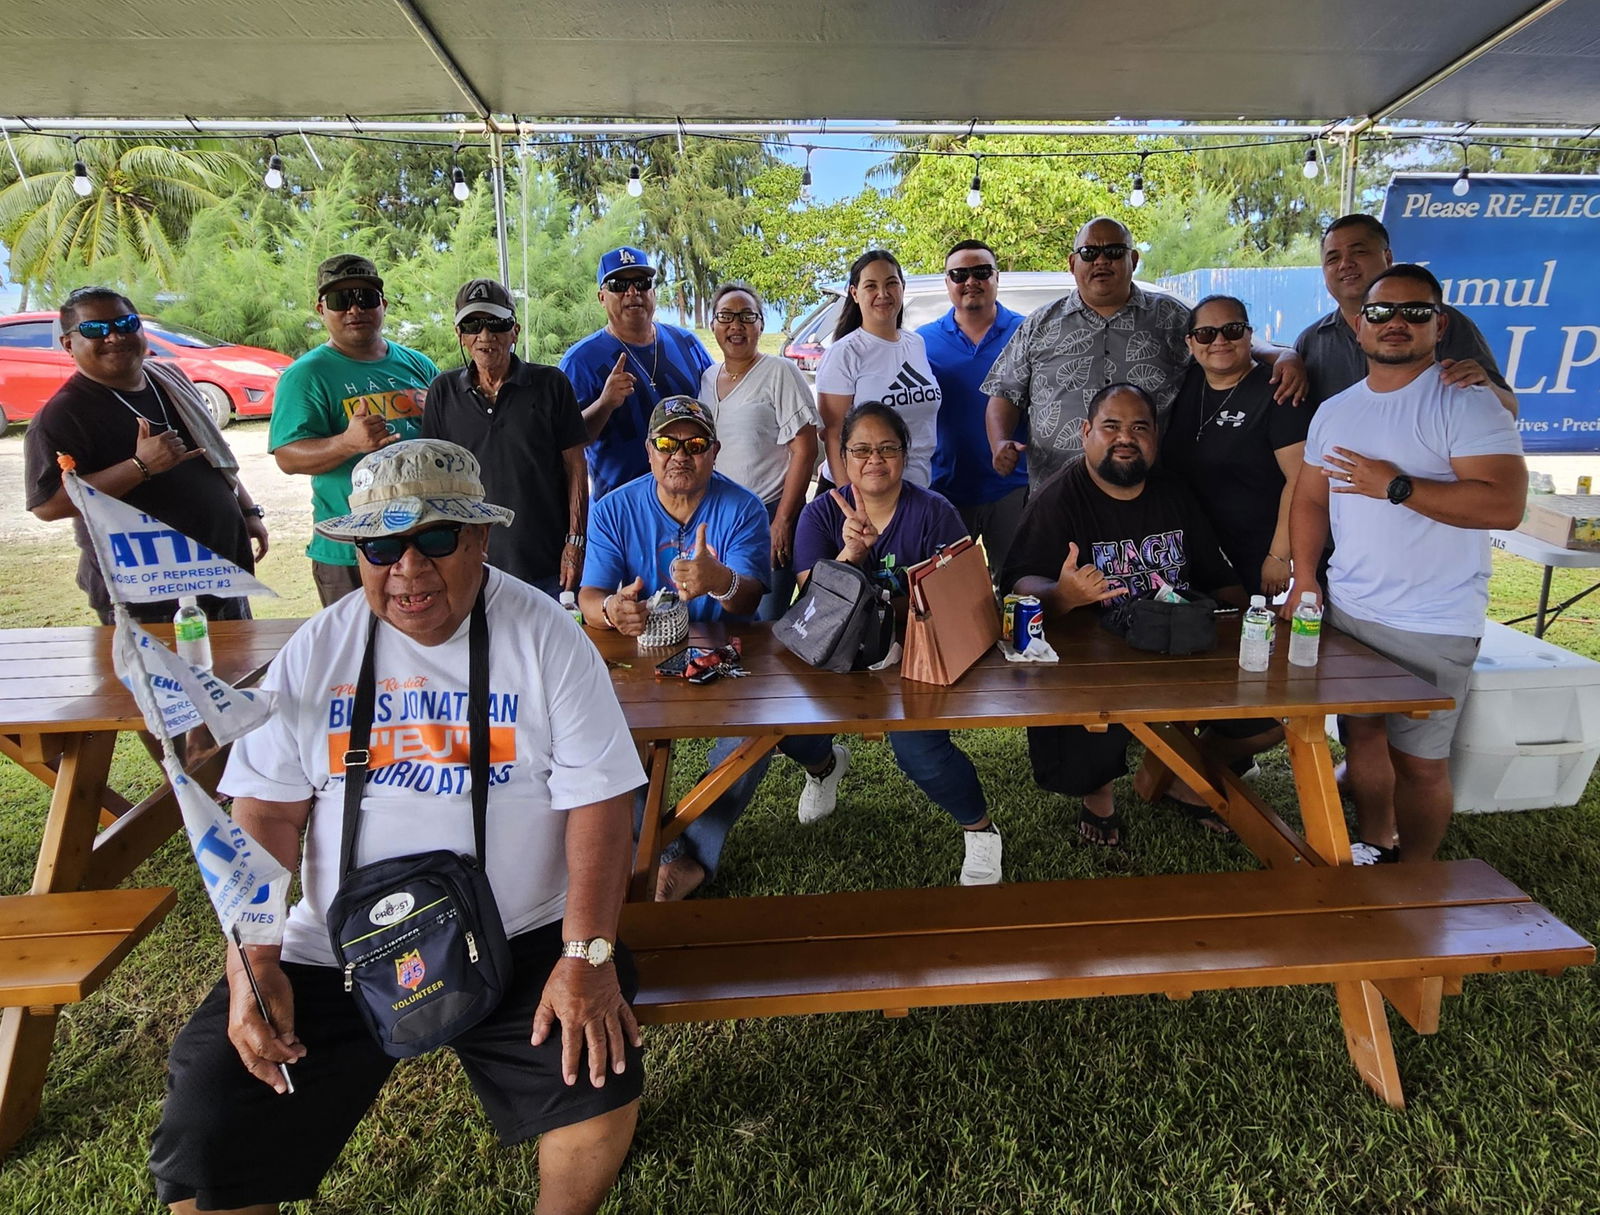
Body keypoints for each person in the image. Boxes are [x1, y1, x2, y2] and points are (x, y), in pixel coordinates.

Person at [148, 439, 648, 1215]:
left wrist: (586, 953)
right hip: (340, 947)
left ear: (479, 538)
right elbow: (268, 810)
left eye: (436, 539)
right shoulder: (319, 647)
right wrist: (255, 957)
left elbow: (600, 802)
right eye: (381, 545)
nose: (407, 568)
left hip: (516, 934)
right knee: (211, 1119)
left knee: (596, 1084)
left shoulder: (548, 635)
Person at [1285, 265, 1526, 865]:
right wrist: (1307, 579)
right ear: (1358, 329)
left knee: (1420, 763)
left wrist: (1395, 486)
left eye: (1414, 313)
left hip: (1433, 619)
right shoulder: (1336, 410)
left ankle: (1417, 873)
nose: (1396, 323)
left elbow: (1504, 504)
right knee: (1361, 737)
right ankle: (1376, 845)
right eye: (1381, 313)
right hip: (1351, 609)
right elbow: (1312, 498)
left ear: (1439, 325)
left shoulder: (1468, 403)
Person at [579, 396, 834, 900]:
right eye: (667, 443)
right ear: (649, 451)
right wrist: (612, 609)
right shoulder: (612, 508)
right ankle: (671, 856)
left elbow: (749, 599)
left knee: (756, 735)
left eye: (694, 444)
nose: (681, 454)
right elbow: (589, 596)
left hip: (726, 654)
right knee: (600, 739)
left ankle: (692, 854)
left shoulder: (740, 507)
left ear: (714, 451)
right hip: (638, 657)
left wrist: (719, 580)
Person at [1002, 384, 1272, 848]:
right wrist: (1063, 594)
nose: (1125, 437)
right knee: (1088, 731)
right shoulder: (1057, 499)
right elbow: (1017, 587)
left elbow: (1213, 569)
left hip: (1177, 645)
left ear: (1156, 437)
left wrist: (1249, 618)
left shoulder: (1174, 492)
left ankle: (1183, 770)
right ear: (1086, 433)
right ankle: (1099, 796)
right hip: (1095, 656)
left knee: (1267, 722)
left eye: (1139, 427)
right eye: (1111, 426)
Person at [792, 401, 1003, 885]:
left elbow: (964, 594)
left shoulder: (935, 512)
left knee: (919, 751)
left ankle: (981, 829)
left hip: (912, 658)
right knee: (791, 730)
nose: (874, 459)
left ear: (905, 455)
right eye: (861, 449)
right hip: (835, 659)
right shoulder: (822, 514)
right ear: (842, 457)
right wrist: (850, 553)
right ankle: (825, 769)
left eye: (887, 448)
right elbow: (812, 603)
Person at [984, 216, 1307, 493]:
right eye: (1089, 252)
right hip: (1057, 494)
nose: (1101, 261)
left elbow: (1221, 342)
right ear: (1072, 263)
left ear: (1133, 261)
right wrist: (999, 442)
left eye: (1113, 252)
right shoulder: (1041, 323)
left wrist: (1281, 355)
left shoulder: (1171, 316)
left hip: (1149, 498)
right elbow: (1004, 393)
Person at [24, 287, 269, 624]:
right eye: (95, 329)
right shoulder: (64, 414)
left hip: (221, 574)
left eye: (126, 323)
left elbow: (213, 453)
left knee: (234, 674)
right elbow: (48, 504)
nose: (114, 336)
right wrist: (140, 467)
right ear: (69, 344)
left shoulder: (170, 379)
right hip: (149, 596)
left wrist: (247, 509)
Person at [270, 254, 439, 607]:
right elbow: (287, 456)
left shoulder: (418, 364)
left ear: (383, 304)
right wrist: (347, 443)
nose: (354, 309)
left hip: (421, 542)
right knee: (357, 655)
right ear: (321, 309)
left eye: (365, 298)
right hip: (350, 551)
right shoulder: (307, 375)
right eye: (340, 300)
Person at [423, 278, 588, 598]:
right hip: (470, 565)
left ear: (515, 330)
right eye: (473, 324)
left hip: (547, 564)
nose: (485, 336)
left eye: (497, 324)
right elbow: (433, 483)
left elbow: (576, 467)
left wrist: (575, 543)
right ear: (460, 334)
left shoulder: (551, 383)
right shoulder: (442, 392)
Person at [1159, 295, 1310, 599]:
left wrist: (1279, 555)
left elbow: (1301, 479)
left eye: (1232, 330)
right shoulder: (1188, 380)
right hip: (1190, 552)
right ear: (1190, 343)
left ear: (1248, 335)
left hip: (1253, 552)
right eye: (1206, 333)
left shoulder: (1278, 390)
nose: (1219, 341)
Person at [1296, 214, 1517, 415]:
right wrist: (1284, 356)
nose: (1345, 264)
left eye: (1359, 251)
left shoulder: (1437, 321)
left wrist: (1486, 388)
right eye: (1333, 258)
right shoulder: (1311, 342)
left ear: (1388, 257)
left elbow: (1508, 411)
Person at [698, 281, 820, 620]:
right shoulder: (708, 378)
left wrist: (783, 520)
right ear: (713, 325)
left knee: (764, 622)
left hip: (767, 514)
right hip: (719, 517)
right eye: (726, 316)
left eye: (746, 316)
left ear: (760, 325)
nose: (736, 325)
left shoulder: (780, 372)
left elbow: (805, 450)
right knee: (724, 616)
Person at [559, 246, 713, 502]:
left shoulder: (687, 343)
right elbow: (566, 444)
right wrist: (605, 404)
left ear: (653, 291)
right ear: (601, 297)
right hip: (622, 508)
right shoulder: (580, 361)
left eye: (641, 283)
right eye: (619, 285)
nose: (633, 292)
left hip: (693, 501)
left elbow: (718, 408)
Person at [918, 240, 1029, 581]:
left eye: (981, 272)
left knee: (1018, 589)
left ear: (997, 277)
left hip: (1012, 488)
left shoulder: (1026, 332)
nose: (970, 281)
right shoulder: (921, 342)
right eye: (959, 274)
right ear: (947, 282)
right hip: (946, 490)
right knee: (945, 593)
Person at [814, 249, 941, 490]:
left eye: (891, 283)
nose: (883, 294)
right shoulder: (845, 353)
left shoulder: (915, 343)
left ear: (902, 287)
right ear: (854, 293)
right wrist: (852, 503)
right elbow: (832, 435)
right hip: (861, 492)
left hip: (916, 489)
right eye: (871, 286)